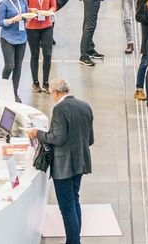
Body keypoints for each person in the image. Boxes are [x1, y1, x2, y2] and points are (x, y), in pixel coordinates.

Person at [28, 79, 94, 244]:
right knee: (74, 200)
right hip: (81, 161)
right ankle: (74, 239)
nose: (52, 97)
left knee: (66, 207)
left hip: (63, 165)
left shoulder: (59, 109)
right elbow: (90, 139)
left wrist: (38, 133)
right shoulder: (85, 106)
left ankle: (73, 242)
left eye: (51, 94)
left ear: (56, 92)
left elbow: (57, 137)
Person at [0, 0, 36, 103]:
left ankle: (14, 92)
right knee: (10, 65)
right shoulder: (3, 4)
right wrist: (13, 19)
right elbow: (1, 22)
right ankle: (3, 89)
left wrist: (30, 13)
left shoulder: (22, 1)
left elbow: (24, 15)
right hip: (8, 38)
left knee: (18, 66)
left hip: (21, 37)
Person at [23, 0, 57, 94]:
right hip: (32, 27)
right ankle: (35, 82)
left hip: (47, 25)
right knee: (35, 54)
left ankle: (46, 82)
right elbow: (23, 6)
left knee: (47, 54)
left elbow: (54, 5)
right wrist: (30, 10)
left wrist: (49, 11)